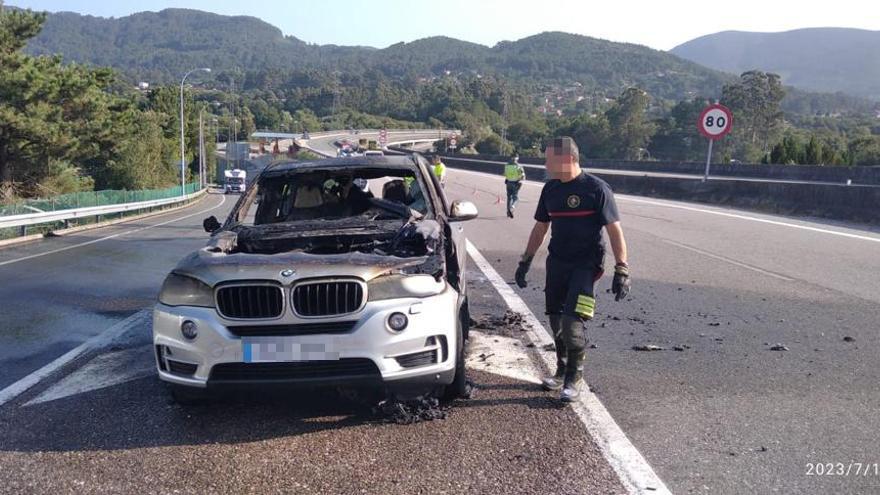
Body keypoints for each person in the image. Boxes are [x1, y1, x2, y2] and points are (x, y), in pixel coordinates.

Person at [514, 137, 631, 403]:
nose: (545, 164)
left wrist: (622, 268)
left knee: (572, 321)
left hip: (587, 265)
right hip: (558, 262)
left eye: (549, 159)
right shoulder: (550, 190)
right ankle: (561, 369)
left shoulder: (597, 189)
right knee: (555, 318)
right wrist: (526, 261)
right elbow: (540, 228)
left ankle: (573, 378)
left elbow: (615, 230)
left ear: (568, 159)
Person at [504, 153, 526, 218]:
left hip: (508, 183)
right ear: (517, 158)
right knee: (515, 198)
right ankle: (512, 207)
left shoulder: (507, 165)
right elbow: (523, 175)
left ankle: (508, 211)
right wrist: (521, 180)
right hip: (515, 183)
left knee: (509, 197)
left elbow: (505, 174)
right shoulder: (518, 166)